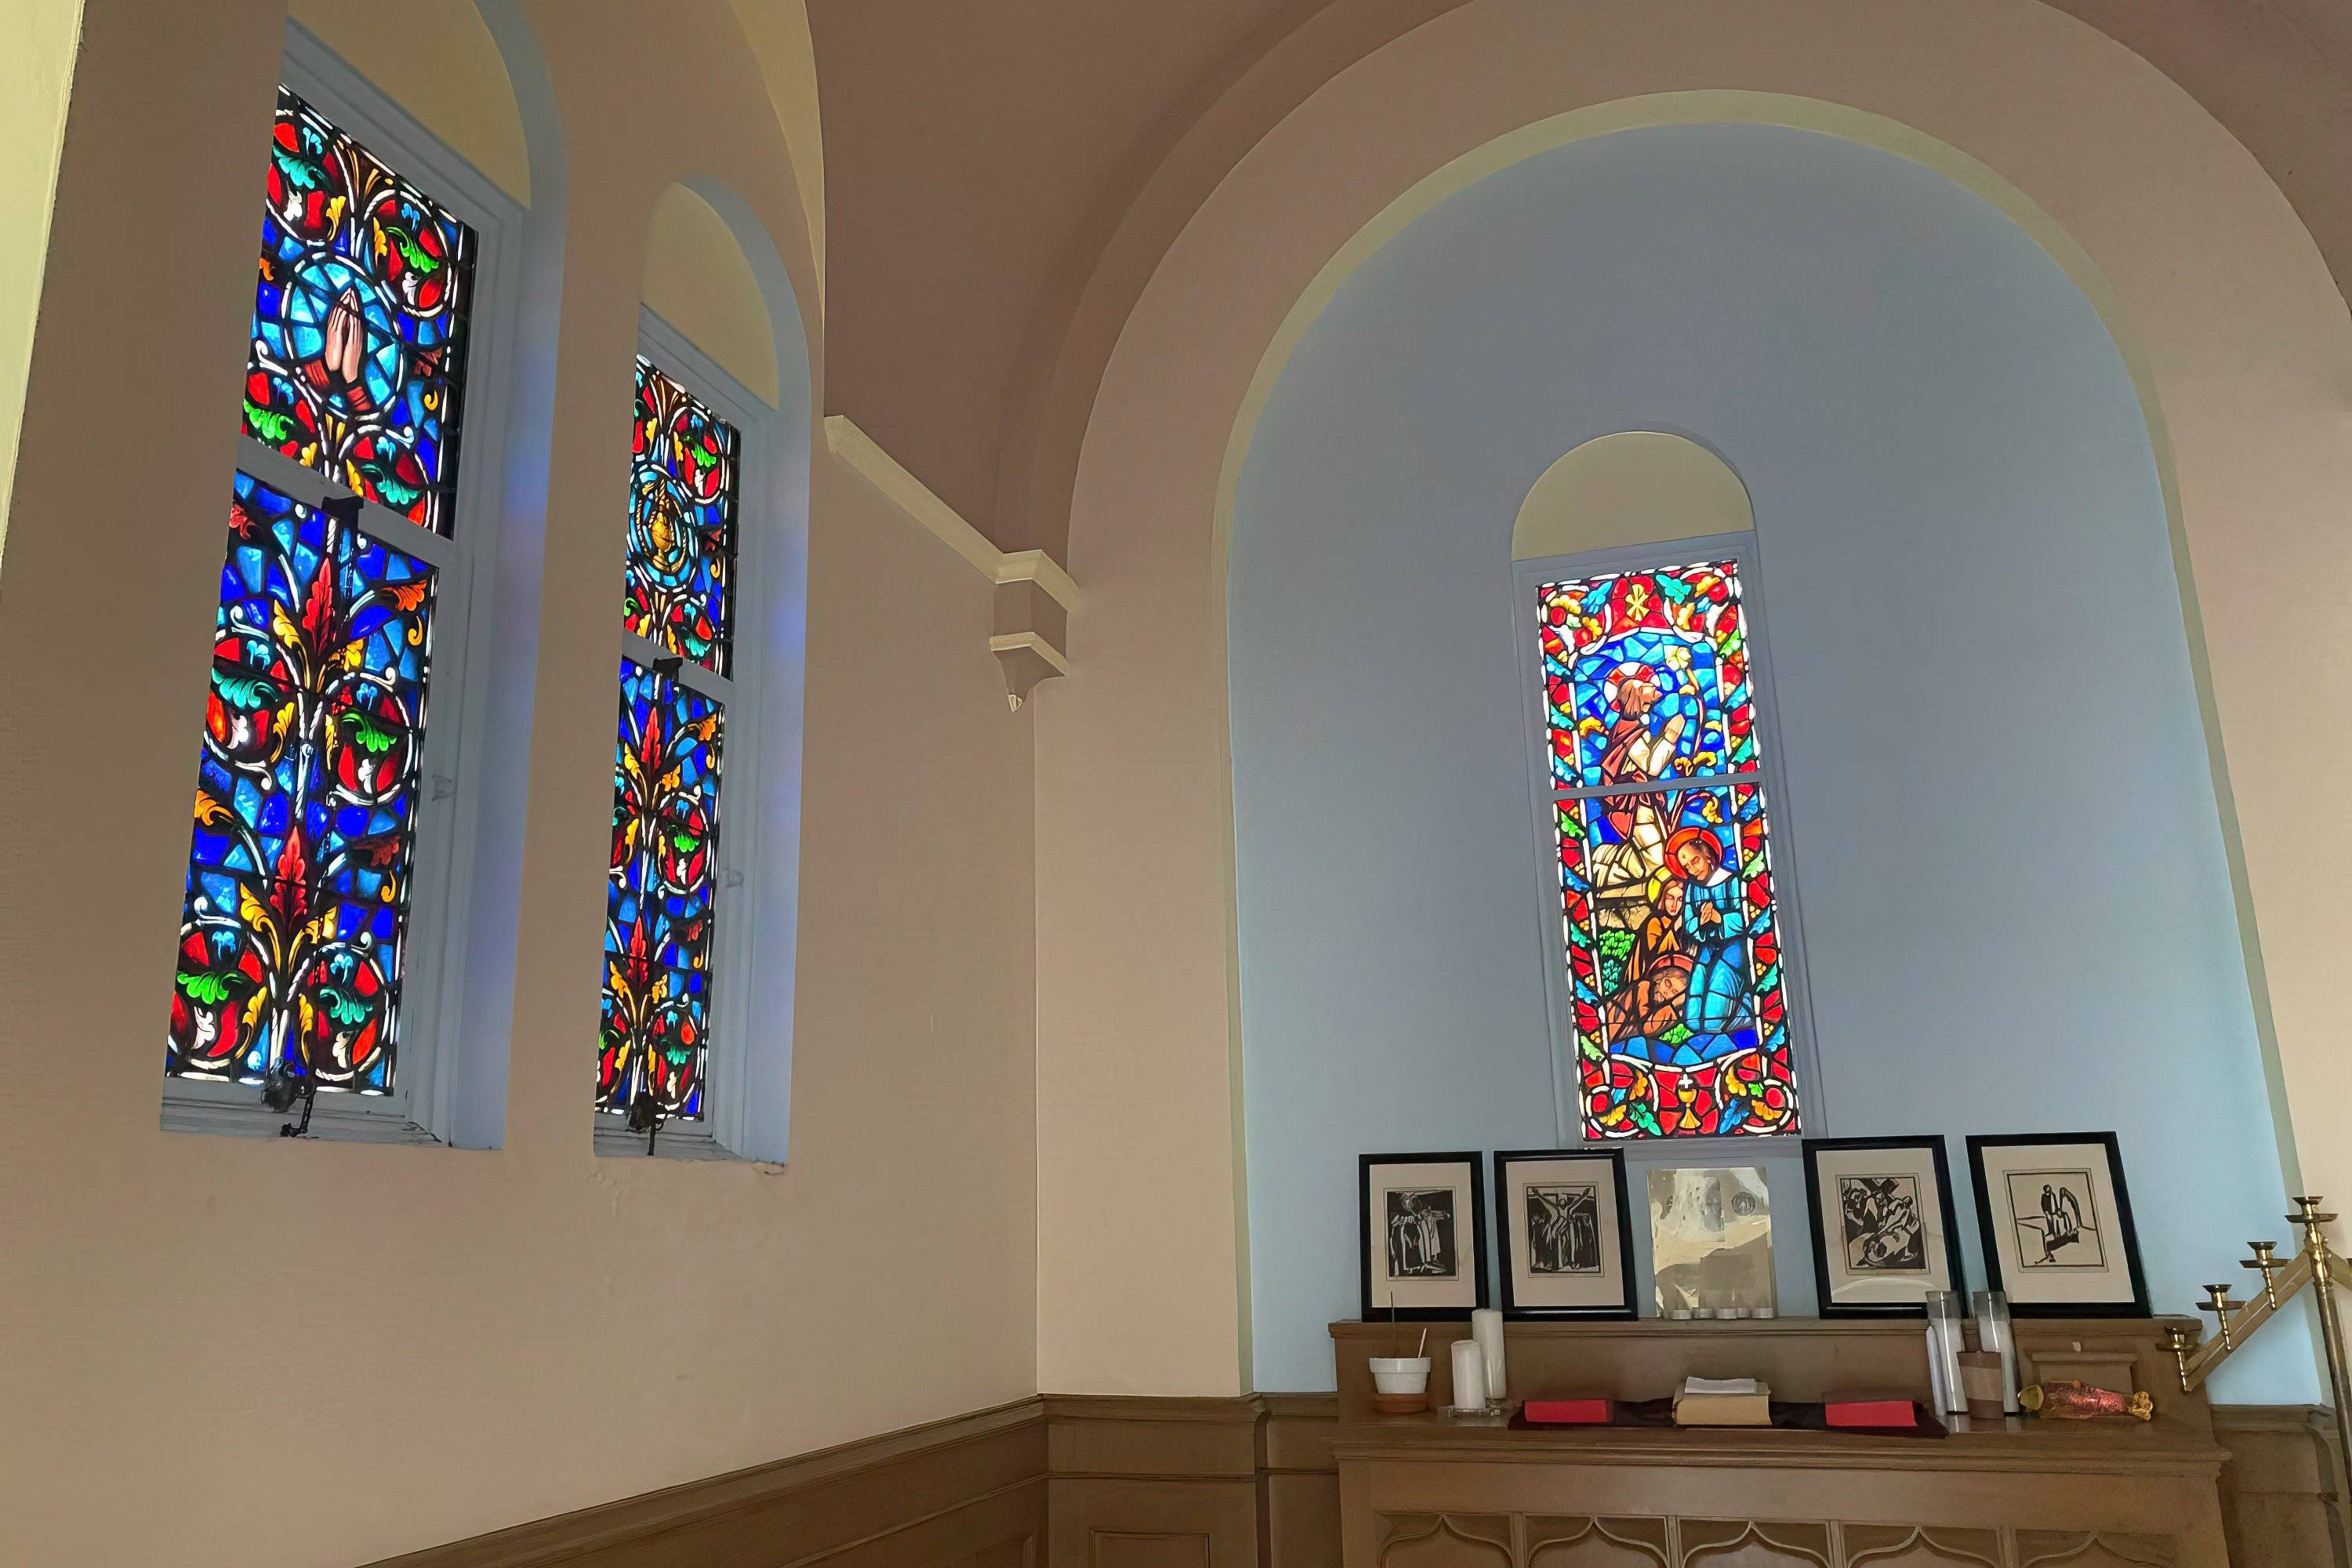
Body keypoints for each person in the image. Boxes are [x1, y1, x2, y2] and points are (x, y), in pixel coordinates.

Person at [1666, 826, 1754, 1037]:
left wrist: (1719, 919)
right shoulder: (1692, 889)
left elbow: (1750, 916)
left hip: (1734, 948)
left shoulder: (1733, 882)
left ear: (1706, 853)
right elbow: (1688, 924)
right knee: (1693, 1020)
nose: (1692, 870)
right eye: (1686, 866)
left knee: (1713, 1022)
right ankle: (1738, 1005)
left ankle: (1754, 1007)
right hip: (1707, 948)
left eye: (1694, 860)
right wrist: (1701, 922)